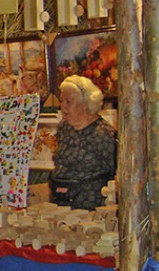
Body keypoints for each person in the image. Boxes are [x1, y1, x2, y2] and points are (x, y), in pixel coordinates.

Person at [49, 74, 117, 210]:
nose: (63, 107)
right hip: (59, 204)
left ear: (85, 104)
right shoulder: (64, 128)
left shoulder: (103, 134)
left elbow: (115, 172)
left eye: (69, 102)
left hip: (89, 209)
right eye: (62, 101)